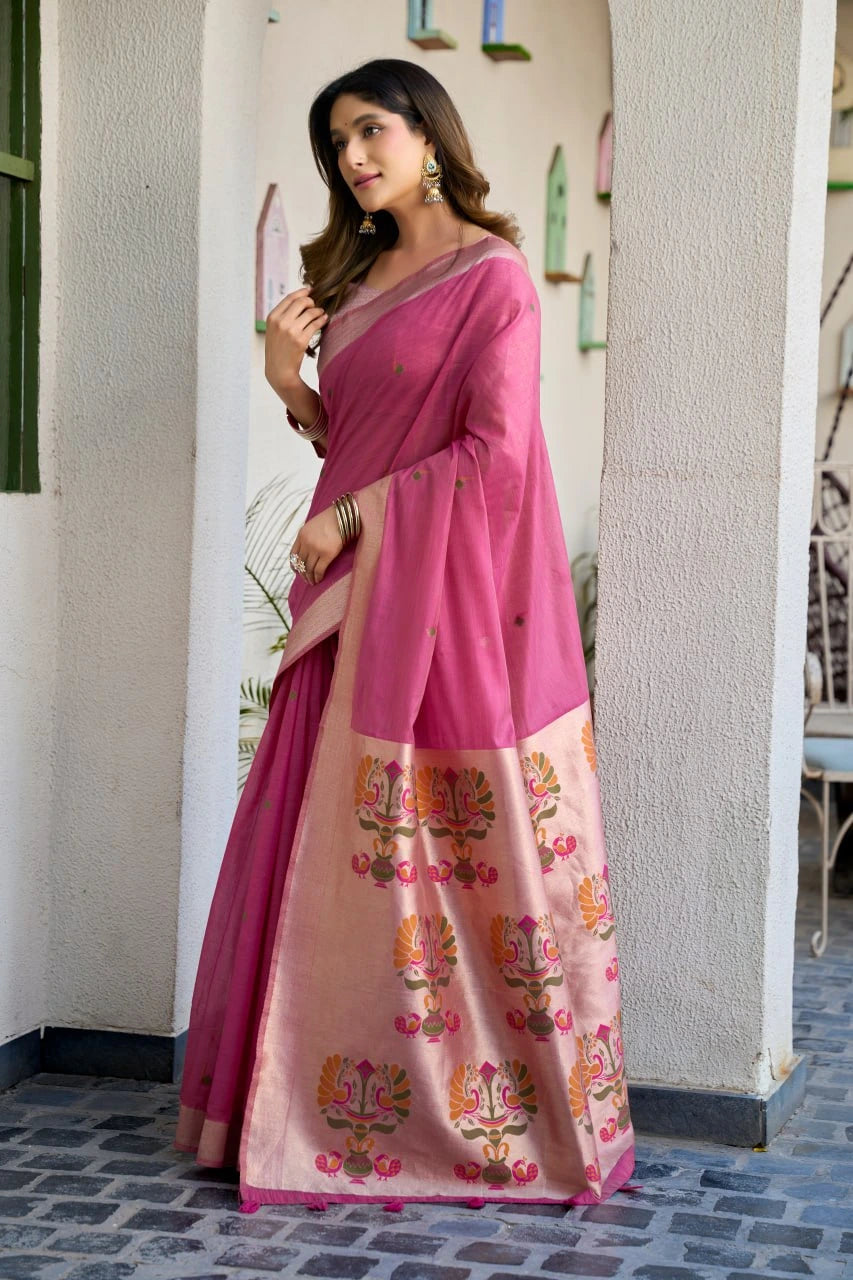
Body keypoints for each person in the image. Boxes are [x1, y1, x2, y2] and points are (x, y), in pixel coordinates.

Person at [174, 57, 636, 1211]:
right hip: (347, 600)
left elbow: (494, 455)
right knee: (308, 853)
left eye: (372, 130)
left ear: (430, 133)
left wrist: (354, 516)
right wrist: (290, 378)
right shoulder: (362, 272)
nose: (354, 158)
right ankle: (292, 1100)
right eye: (336, 142)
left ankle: (459, 1114)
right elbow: (359, 437)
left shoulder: (495, 280)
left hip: (434, 614)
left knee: (434, 861)